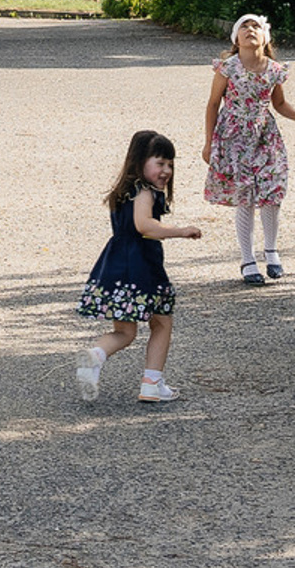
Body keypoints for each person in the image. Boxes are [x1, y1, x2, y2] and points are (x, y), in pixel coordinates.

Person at [76, 129, 202, 405]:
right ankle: (152, 383)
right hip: (142, 269)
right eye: (160, 163)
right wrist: (180, 231)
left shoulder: (123, 192)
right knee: (162, 323)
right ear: (140, 162)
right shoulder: (144, 192)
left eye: (170, 164)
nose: (166, 170)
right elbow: (144, 225)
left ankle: (96, 355)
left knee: (125, 332)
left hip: (116, 266)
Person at [204, 11, 295, 283]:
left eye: (256, 26)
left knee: (272, 192)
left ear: (265, 38)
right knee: (245, 196)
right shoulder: (228, 68)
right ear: (236, 39)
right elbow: (213, 104)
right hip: (234, 138)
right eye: (244, 26)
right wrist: (209, 143)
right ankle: (248, 260)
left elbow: (279, 104)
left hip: (265, 136)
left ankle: (272, 252)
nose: (250, 29)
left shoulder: (274, 70)